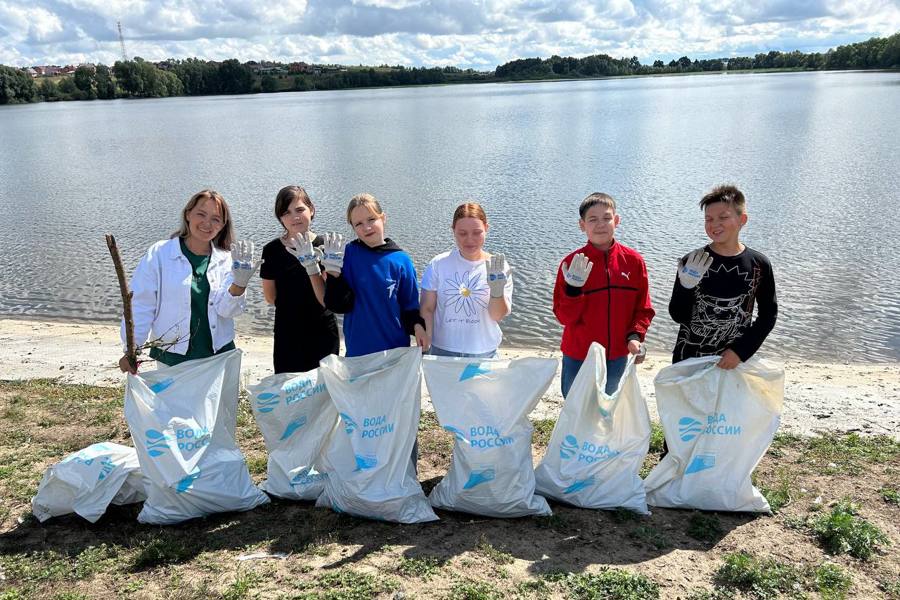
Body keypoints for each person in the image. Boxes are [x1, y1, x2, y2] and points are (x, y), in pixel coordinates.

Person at [118, 189, 260, 373]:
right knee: (172, 402)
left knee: (218, 403)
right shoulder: (160, 254)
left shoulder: (228, 260)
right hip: (172, 358)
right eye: (201, 214)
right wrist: (132, 348)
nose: (207, 223)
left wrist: (240, 284)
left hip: (219, 356)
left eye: (216, 219)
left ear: (223, 225)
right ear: (188, 214)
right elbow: (141, 304)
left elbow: (227, 311)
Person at [553, 192, 655, 396]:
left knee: (607, 410)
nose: (601, 224)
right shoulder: (571, 264)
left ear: (616, 221)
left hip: (617, 355)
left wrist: (635, 337)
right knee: (575, 408)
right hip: (579, 354)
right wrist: (573, 290)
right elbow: (564, 317)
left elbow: (643, 309)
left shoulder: (633, 261)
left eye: (607, 218)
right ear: (582, 225)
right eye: (593, 219)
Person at [669, 184, 777, 367]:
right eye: (708, 219)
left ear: (742, 219)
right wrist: (686, 287)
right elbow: (678, 315)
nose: (714, 224)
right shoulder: (694, 261)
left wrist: (740, 351)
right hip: (689, 360)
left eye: (723, 217)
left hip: (734, 362)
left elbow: (768, 315)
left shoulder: (759, 264)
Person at [322, 193, 429, 356]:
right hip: (358, 352)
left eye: (371, 219)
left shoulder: (402, 260)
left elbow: (409, 307)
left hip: (395, 350)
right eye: (358, 223)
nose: (366, 227)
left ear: (383, 217)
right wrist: (333, 275)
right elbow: (338, 306)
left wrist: (418, 327)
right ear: (353, 227)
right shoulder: (345, 256)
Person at [260, 186, 340, 373]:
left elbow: (332, 299)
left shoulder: (325, 246)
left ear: (311, 209)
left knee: (325, 391)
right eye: (286, 212)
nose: (294, 217)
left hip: (323, 331)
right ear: (280, 217)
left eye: (300, 209)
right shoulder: (272, 250)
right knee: (290, 392)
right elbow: (270, 297)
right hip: (288, 331)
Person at [419, 202, 512, 358]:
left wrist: (497, 292)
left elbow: (497, 316)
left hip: (483, 351)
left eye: (477, 232)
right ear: (453, 230)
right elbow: (427, 308)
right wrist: (426, 340)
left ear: (486, 229)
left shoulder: (498, 267)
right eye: (462, 233)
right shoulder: (438, 264)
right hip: (443, 349)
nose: (470, 240)